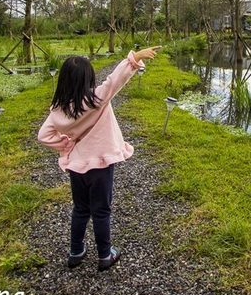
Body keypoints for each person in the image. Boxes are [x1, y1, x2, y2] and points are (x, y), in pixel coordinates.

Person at [37, 46, 161, 271]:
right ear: (89, 79)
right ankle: (105, 254)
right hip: (101, 166)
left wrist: (66, 144)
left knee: (80, 209)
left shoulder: (58, 111)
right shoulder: (96, 99)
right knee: (101, 210)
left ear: (63, 81)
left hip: (77, 166)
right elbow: (115, 80)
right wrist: (134, 58)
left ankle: (76, 252)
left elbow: (43, 135)